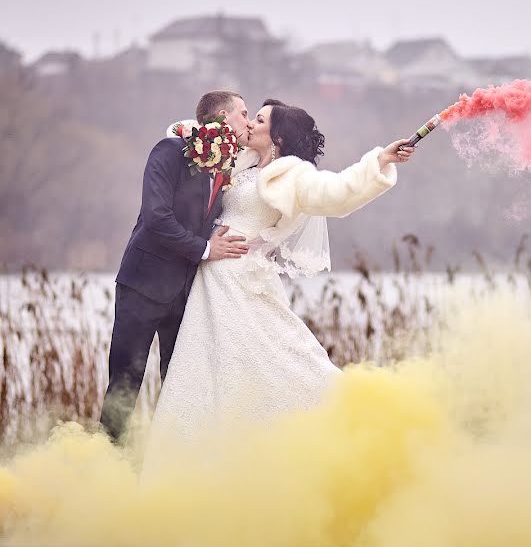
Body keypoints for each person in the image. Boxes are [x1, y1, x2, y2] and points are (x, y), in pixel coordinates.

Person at [141, 98, 415, 460]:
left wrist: (379, 160)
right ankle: (211, 457)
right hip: (212, 278)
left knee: (283, 357)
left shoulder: (292, 174)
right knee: (208, 366)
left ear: (279, 137)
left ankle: (357, 416)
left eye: (258, 119)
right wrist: (198, 129)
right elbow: (187, 135)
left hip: (241, 277)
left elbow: (335, 193)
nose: (250, 124)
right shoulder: (242, 162)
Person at [100, 91, 253, 443]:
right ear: (222, 116)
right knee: (124, 383)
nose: (248, 120)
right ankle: (104, 464)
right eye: (244, 113)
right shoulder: (170, 151)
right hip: (142, 285)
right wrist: (204, 249)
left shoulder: (229, 165)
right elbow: (156, 217)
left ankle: (165, 465)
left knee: (178, 386)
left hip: (186, 294)